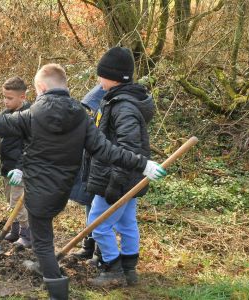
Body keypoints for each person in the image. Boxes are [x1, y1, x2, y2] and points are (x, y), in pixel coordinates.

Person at [0, 63, 166, 300]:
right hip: (62, 190)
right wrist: (142, 164)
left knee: (42, 242)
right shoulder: (81, 116)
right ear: (65, 86)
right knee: (45, 235)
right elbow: (107, 150)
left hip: (38, 191)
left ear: (41, 88)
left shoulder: (33, 114)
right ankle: (45, 266)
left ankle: (57, 290)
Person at [85, 47, 156, 287]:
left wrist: (116, 181)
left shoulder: (123, 107)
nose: (98, 80)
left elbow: (129, 149)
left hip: (116, 176)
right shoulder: (120, 100)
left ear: (113, 77)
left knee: (96, 222)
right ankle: (129, 269)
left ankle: (112, 268)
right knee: (126, 223)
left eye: (101, 75)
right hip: (125, 175)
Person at [69, 84, 106, 262]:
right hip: (91, 167)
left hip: (103, 168)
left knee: (101, 212)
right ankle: (88, 247)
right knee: (90, 208)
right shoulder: (95, 115)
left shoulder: (110, 114)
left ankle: (101, 252)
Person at [0, 76, 32, 249]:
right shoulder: (6, 115)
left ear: (23, 97)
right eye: (4, 97)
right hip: (7, 166)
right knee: (10, 200)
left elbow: (30, 147)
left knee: (18, 202)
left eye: (9, 98)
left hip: (20, 169)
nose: (5, 101)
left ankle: (28, 234)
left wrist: (20, 168)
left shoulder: (28, 117)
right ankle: (16, 229)